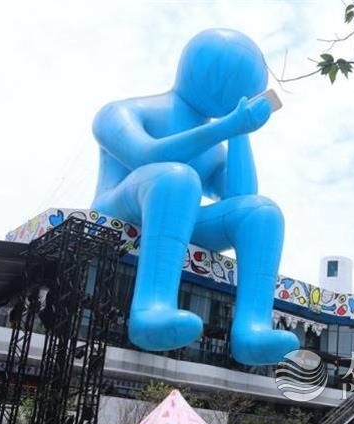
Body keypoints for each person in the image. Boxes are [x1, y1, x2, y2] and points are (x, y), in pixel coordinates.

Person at [91, 28, 298, 365]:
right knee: (178, 178)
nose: (223, 85)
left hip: (177, 220)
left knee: (262, 213)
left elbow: (241, 199)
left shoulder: (215, 147)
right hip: (118, 208)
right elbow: (145, 156)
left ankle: (252, 330)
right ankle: (152, 309)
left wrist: (239, 132)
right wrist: (226, 127)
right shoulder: (120, 112)